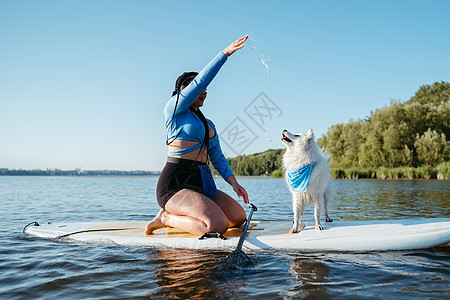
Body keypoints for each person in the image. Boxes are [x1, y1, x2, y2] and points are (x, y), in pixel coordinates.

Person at [145, 35, 250, 236]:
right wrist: (225, 54)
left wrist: (234, 183)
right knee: (218, 226)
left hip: (202, 183)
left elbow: (217, 157)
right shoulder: (174, 111)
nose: (205, 92)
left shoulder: (208, 124)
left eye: (206, 90)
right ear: (185, 90)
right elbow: (201, 80)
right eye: (200, 89)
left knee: (238, 218)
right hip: (175, 184)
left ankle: (190, 214)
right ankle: (165, 217)